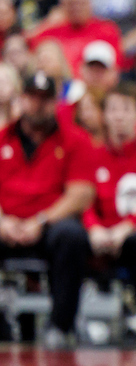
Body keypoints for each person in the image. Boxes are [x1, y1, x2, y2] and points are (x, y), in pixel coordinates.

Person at [0, 72, 95, 346]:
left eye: (45, 98)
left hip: (49, 225)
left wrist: (40, 221)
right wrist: (2, 222)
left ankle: (60, 324)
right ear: (21, 99)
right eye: (32, 97)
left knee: (72, 235)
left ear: (55, 102)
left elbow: (81, 194)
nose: (38, 104)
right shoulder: (3, 138)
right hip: (6, 223)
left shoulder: (75, 139)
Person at [87, 82, 136, 340]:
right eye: (113, 109)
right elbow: (84, 200)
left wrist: (127, 226)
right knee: (71, 238)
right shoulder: (93, 154)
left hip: (135, 232)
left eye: (126, 109)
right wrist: (94, 228)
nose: (119, 116)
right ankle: (76, 317)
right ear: (104, 116)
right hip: (100, 234)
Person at [27, 0, 122, 73]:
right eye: (72, 3)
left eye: (82, 2)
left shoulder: (107, 30)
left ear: (91, 3)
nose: (77, 8)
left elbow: (116, 67)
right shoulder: (50, 32)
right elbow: (28, 44)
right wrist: (47, 22)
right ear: (62, 5)